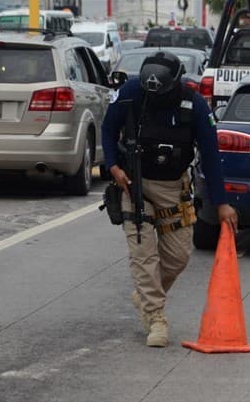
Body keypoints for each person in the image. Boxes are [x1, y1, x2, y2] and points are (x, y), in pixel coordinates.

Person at [101, 50, 238, 348]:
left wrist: (222, 202)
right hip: (132, 184)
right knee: (143, 254)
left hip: (174, 187)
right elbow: (108, 129)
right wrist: (113, 166)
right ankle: (156, 318)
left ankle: (146, 295)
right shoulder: (131, 92)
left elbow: (211, 156)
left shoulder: (196, 105)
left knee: (177, 257)